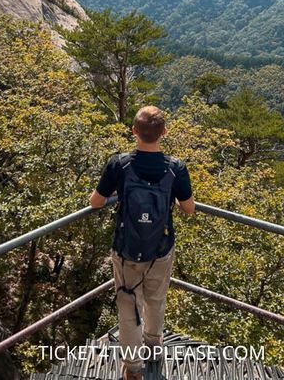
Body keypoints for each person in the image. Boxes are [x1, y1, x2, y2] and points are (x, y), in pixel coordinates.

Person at [90, 105, 195, 380]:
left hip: (126, 250)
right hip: (161, 249)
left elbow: (96, 202)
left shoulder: (120, 164)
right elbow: (188, 208)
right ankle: (154, 345)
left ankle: (134, 368)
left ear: (134, 131)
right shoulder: (176, 169)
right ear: (164, 133)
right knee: (156, 300)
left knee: (128, 308)